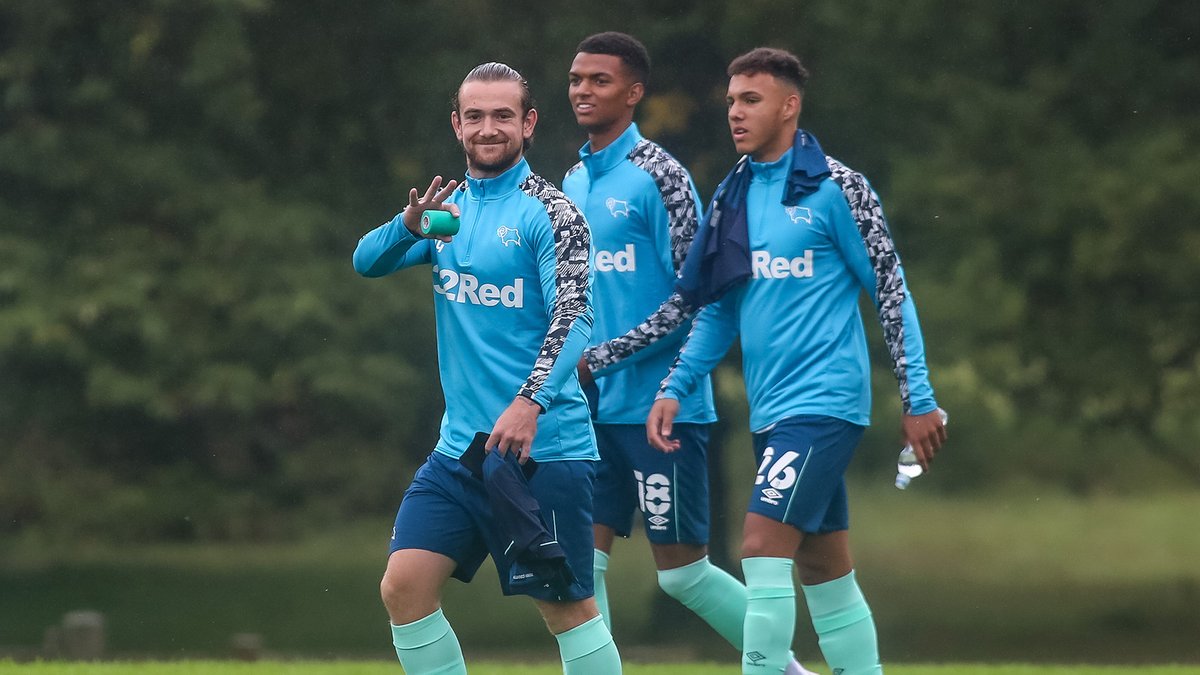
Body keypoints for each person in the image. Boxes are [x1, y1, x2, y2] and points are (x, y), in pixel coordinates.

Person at [647, 47, 947, 675]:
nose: (735, 112)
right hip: (772, 412)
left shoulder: (838, 189)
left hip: (825, 404)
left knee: (760, 547)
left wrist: (919, 400)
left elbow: (890, 293)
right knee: (824, 568)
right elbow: (720, 309)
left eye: (750, 100)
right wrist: (677, 384)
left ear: (790, 105)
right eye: (731, 100)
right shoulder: (731, 195)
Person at [353, 62, 621, 675]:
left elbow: (575, 320)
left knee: (567, 610)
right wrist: (407, 224)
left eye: (503, 115)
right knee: (404, 587)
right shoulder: (446, 214)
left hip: (543, 450)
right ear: (457, 125)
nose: (488, 128)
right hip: (460, 451)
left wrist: (531, 401)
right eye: (475, 116)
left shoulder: (551, 213)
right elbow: (365, 262)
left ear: (528, 123)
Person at [563, 33, 814, 675]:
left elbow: (692, 299)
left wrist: (604, 356)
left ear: (634, 92)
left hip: (659, 413)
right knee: (577, 573)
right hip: (587, 415)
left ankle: (787, 672)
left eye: (600, 80)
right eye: (576, 80)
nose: (584, 91)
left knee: (684, 578)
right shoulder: (569, 178)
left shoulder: (661, 176)